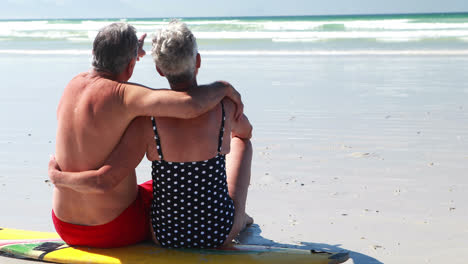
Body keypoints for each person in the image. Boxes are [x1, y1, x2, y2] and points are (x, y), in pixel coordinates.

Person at [49, 20, 253, 248]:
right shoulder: (124, 96)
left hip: (64, 225)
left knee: (157, 187)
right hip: (114, 229)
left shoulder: (72, 86)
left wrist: (60, 178)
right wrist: (223, 87)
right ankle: (239, 217)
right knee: (180, 188)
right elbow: (190, 105)